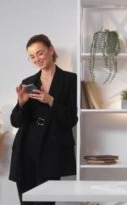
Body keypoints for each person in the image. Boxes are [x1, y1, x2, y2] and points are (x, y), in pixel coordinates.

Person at [9, 34, 78, 205]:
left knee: (45, 202)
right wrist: (21, 103)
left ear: (51, 50)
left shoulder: (70, 80)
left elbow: (71, 119)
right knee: (26, 202)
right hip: (26, 149)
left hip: (51, 152)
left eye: (40, 53)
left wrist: (51, 100)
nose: (36, 59)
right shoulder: (28, 82)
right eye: (32, 56)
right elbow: (16, 122)